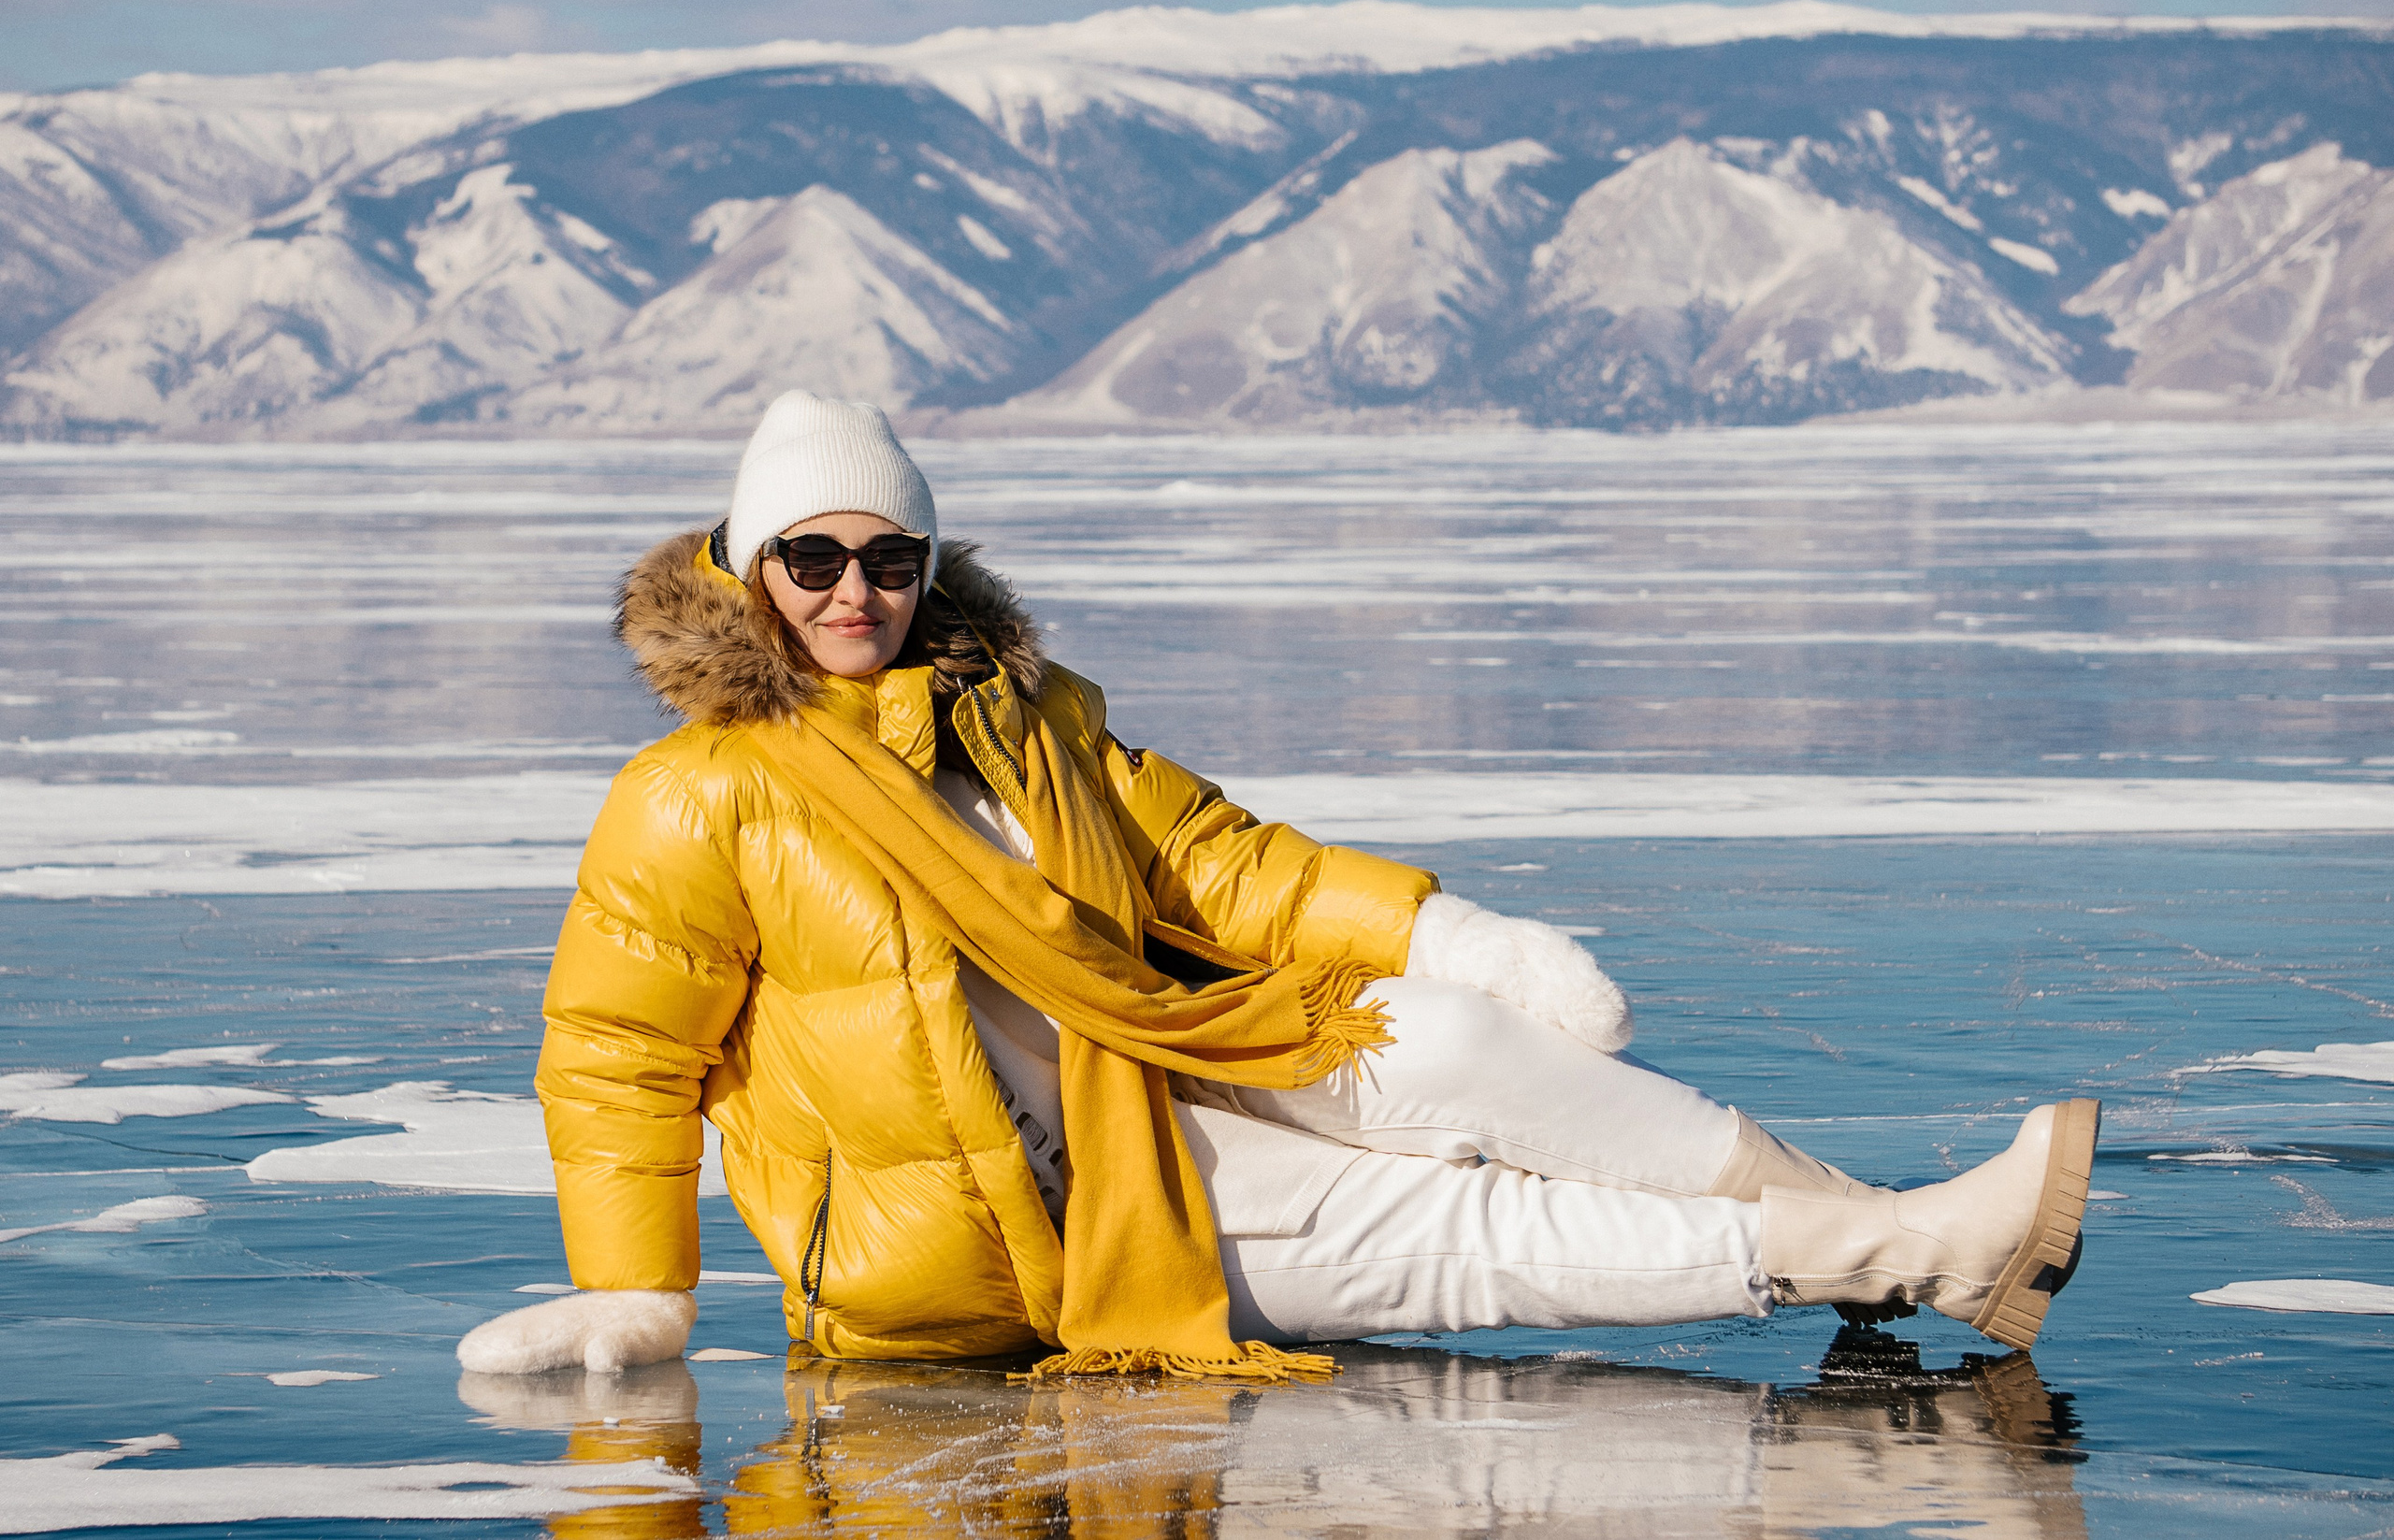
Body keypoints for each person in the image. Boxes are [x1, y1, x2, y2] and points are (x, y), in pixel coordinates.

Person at [458, 391, 2098, 1380]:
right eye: (810, 559)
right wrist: (635, 1293)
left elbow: (1216, 863)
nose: (852, 593)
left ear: (930, 566)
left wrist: (1457, 933)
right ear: (753, 573)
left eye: (888, 558)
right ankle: (1905, 1256)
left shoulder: (1021, 718)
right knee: (1458, 1228)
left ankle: (1906, 1233)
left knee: (1450, 1046)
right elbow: (619, 1058)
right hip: (990, 1232)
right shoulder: (702, 796)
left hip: (1160, 1082)